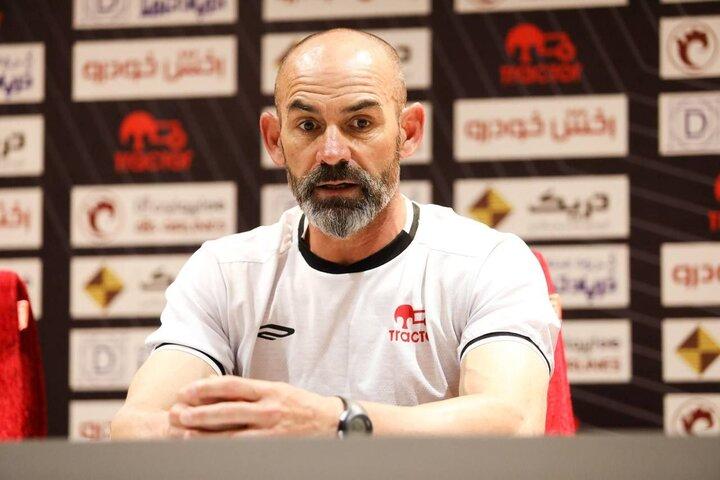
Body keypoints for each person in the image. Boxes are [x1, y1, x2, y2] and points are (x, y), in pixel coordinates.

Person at [110, 28, 560, 439]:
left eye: (360, 124)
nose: (331, 153)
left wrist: (336, 421)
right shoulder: (227, 272)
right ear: (275, 140)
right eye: (307, 126)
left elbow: (514, 423)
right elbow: (135, 428)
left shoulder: (487, 262)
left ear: (408, 133)